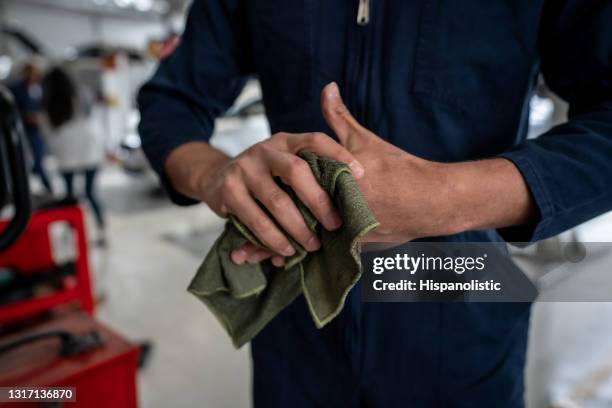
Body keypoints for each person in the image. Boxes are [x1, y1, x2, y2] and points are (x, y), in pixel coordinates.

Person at [137, 1, 612, 406]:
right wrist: (215, 173)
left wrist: (450, 197)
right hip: (299, 306)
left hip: (461, 302)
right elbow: (169, 104)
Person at [41, 67, 106, 245]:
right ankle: (102, 231)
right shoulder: (80, 95)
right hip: (88, 148)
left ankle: (72, 233)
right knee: (90, 192)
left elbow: (47, 132)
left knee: (69, 195)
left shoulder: (47, 102)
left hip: (66, 152)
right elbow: (91, 115)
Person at [10, 58, 53, 194]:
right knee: (21, 160)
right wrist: (25, 116)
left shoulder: (41, 88)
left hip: (36, 129)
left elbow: (45, 106)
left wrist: (41, 116)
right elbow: (11, 109)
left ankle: (48, 189)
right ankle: (23, 191)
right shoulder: (15, 89)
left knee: (39, 160)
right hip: (20, 128)